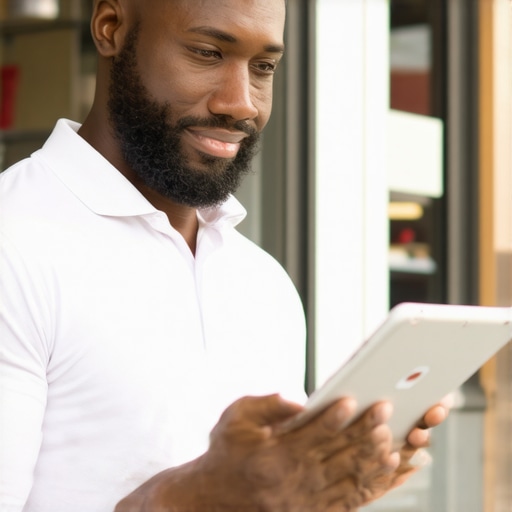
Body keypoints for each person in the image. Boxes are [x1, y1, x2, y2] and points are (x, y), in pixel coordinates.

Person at [0, 1, 449, 511]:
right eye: (208, 52)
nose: (241, 104)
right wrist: (190, 498)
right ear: (111, 28)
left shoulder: (262, 282)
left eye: (263, 68)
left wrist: (327, 491)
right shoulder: (13, 243)